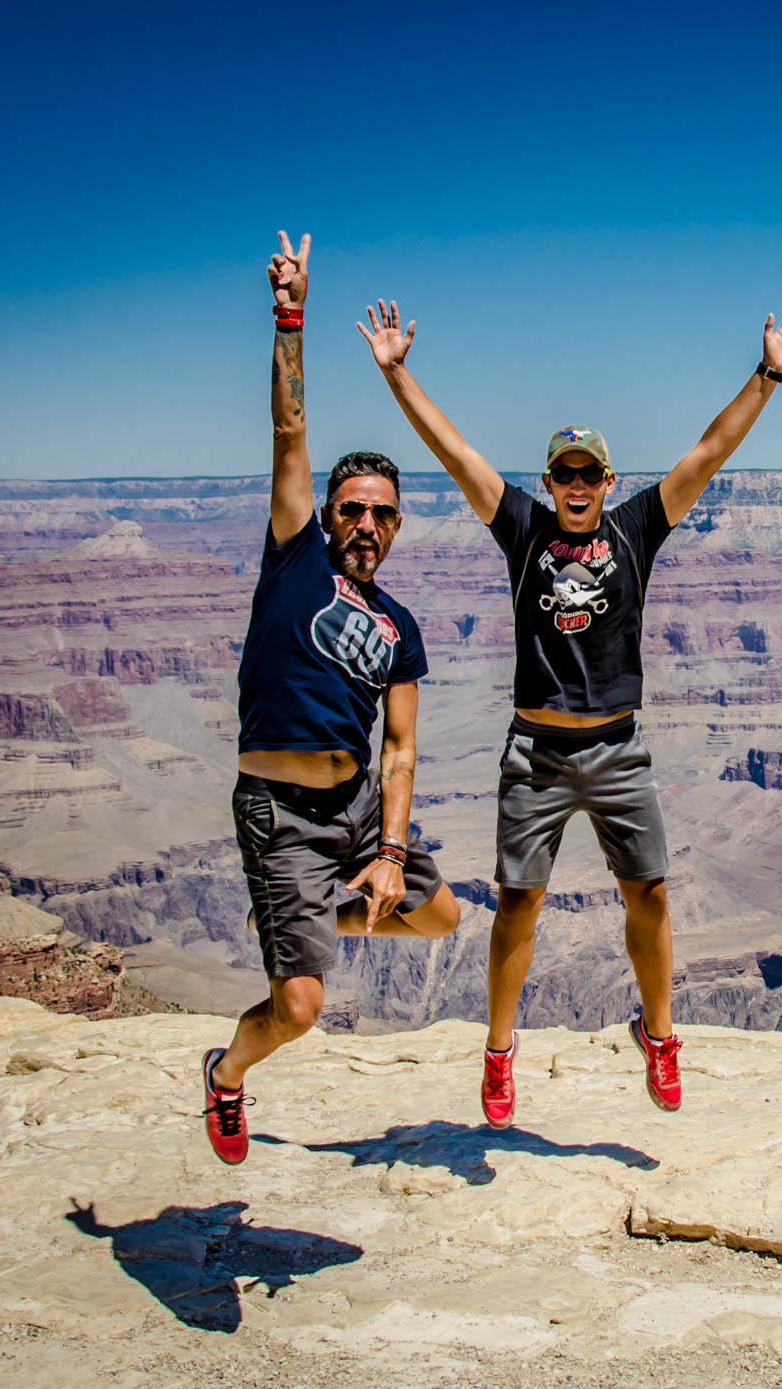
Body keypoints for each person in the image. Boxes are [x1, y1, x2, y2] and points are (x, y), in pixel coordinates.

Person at [358, 293, 782, 1121]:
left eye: (588, 473)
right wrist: (398, 373)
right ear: (549, 482)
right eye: (562, 473)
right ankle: (499, 1053)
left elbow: (710, 451)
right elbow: (454, 450)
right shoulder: (524, 528)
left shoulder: (640, 526)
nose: (575, 485)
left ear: (609, 480)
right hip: (535, 755)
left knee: (650, 894)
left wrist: (767, 375)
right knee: (520, 906)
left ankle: (661, 1034)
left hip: (617, 750)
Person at [200, 233, 462, 1165]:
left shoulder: (400, 626)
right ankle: (225, 1076)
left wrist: (390, 850)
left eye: (381, 511)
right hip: (279, 809)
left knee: (440, 915)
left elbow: (400, 752)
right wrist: (290, 314)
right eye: (350, 506)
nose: (363, 523)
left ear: (397, 523)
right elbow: (288, 430)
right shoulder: (293, 552)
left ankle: (319, 913)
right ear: (330, 513)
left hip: (354, 808)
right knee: (300, 1009)